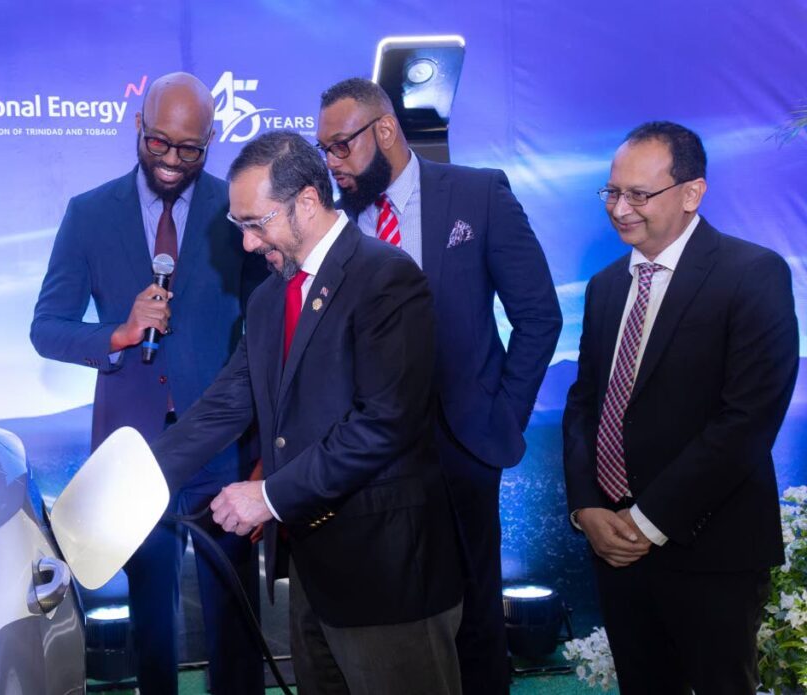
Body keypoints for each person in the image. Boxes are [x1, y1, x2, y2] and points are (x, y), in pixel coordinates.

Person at [152, 130, 464, 695]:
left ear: (307, 202)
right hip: (311, 577)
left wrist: (267, 496)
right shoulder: (270, 297)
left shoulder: (387, 277)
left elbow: (383, 424)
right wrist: (142, 477)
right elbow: (230, 399)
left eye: (256, 223)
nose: (247, 245)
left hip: (389, 574)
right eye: (239, 226)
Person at [315, 77, 562, 693]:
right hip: (365, 454)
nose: (333, 164)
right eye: (324, 150)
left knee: (476, 618)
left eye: (342, 146)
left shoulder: (478, 194)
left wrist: (500, 419)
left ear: (387, 129)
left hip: (462, 447)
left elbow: (539, 315)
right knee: (384, 621)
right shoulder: (333, 224)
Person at [30, 72, 265, 694]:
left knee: (234, 621)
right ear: (138, 126)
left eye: (189, 149)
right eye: (158, 142)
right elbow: (46, 328)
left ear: (211, 140)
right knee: (153, 627)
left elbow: (267, 338)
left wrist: (264, 451)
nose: (170, 161)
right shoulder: (88, 214)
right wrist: (118, 333)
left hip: (222, 449)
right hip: (131, 455)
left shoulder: (236, 208)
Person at [562, 121, 799, 693]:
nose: (620, 208)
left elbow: (746, 421)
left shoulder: (753, 274)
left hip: (710, 548)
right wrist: (588, 508)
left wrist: (647, 522)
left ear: (692, 193)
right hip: (614, 548)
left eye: (639, 194)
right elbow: (585, 403)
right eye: (612, 192)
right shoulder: (605, 286)